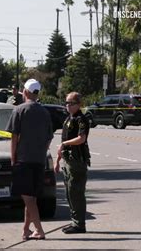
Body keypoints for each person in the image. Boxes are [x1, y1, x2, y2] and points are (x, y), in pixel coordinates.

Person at [5, 79, 53, 241]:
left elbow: (14, 137)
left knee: (28, 198)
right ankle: (26, 230)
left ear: (24, 92)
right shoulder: (45, 112)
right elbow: (49, 138)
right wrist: (41, 152)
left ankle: (39, 230)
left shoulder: (19, 110)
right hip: (39, 161)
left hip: (23, 161)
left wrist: (13, 157)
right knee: (30, 197)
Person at [54, 92, 91, 234]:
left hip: (77, 161)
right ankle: (75, 222)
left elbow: (81, 138)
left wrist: (64, 143)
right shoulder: (69, 119)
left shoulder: (81, 119)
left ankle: (79, 224)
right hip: (67, 160)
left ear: (78, 104)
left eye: (71, 103)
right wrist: (58, 161)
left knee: (76, 192)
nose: (67, 106)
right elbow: (62, 145)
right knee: (70, 192)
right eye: (66, 103)